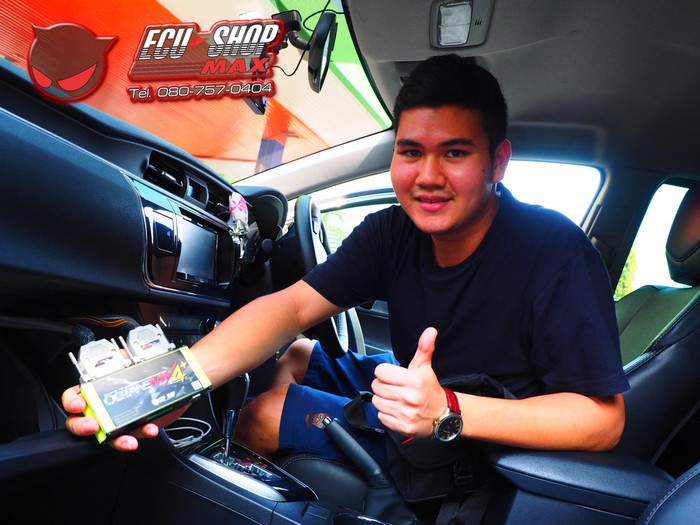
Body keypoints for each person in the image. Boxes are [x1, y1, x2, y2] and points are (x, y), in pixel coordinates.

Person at [62, 55, 628, 471]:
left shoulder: (555, 254)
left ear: (497, 162)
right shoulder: (394, 231)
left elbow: (604, 420)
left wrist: (447, 410)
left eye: (455, 153)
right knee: (297, 350)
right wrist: (170, 382)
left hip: (471, 442)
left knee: (262, 415)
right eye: (411, 152)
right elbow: (292, 308)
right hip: (416, 392)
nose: (428, 177)